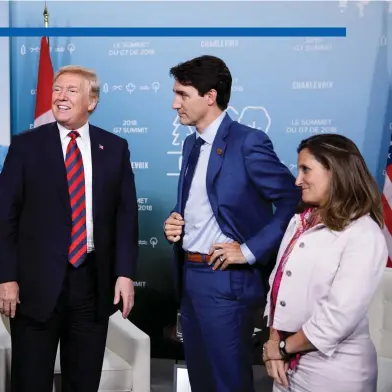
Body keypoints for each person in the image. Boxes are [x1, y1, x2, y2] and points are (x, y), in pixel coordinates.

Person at [0, 65, 138, 392]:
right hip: (34, 288)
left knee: (83, 383)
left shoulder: (114, 149)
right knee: (30, 382)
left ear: (92, 101)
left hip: (92, 285)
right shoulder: (26, 146)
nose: (60, 96)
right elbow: (5, 217)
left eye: (72, 90)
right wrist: (6, 277)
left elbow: (126, 218)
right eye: (57, 89)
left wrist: (125, 274)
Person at [163, 55, 301, 392]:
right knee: (201, 380)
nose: (174, 103)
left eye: (182, 94)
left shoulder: (248, 142)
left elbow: (292, 200)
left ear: (209, 96)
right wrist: (177, 222)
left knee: (228, 383)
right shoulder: (190, 144)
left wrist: (250, 250)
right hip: (190, 276)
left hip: (226, 282)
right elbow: (204, 202)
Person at [262, 134, 386, 392]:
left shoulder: (364, 233)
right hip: (287, 368)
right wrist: (274, 341)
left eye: (306, 169)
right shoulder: (301, 220)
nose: (297, 180)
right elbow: (278, 285)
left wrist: (282, 348)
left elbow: (337, 318)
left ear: (336, 171)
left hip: (335, 374)